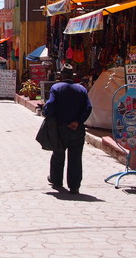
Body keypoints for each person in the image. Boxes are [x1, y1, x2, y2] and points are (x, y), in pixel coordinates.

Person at [43, 63, 92, 195]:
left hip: (60, 128)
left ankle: (56, 180)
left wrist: (46, 111)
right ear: (72, 76)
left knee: (58, 154)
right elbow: (88, 107)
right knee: (75, 158)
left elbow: (51, 105)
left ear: (61, 76)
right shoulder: (81, 89)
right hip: (77, 129)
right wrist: (78, 121)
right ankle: (74, 186)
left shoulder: (56, 87)